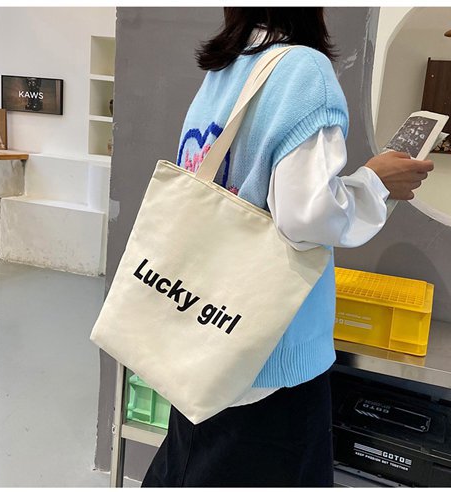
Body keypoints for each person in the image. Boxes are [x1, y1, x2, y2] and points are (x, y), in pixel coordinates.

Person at [141, 7, 434, 487]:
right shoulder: (304, 70)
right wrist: (376, 182)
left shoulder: (226, 68)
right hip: (270, 355)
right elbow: (306, 217)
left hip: (202, 327)